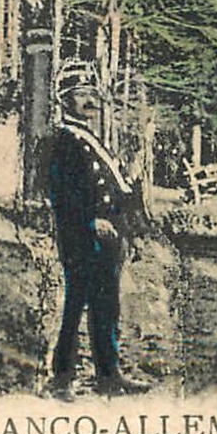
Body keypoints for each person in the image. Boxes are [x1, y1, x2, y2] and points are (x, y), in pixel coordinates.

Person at [47, 66, 149, 399]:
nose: (90, 100)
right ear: (65, 101)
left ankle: (109, 375)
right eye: (81, 94)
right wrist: (91, 221)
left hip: (106, 237)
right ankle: (61, 377)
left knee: (106, 305)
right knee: (76, 305)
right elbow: (64, 195)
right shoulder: (63, 140)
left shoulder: (89, 138)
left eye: (92, 92)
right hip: (81, 237)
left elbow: (110, 189)